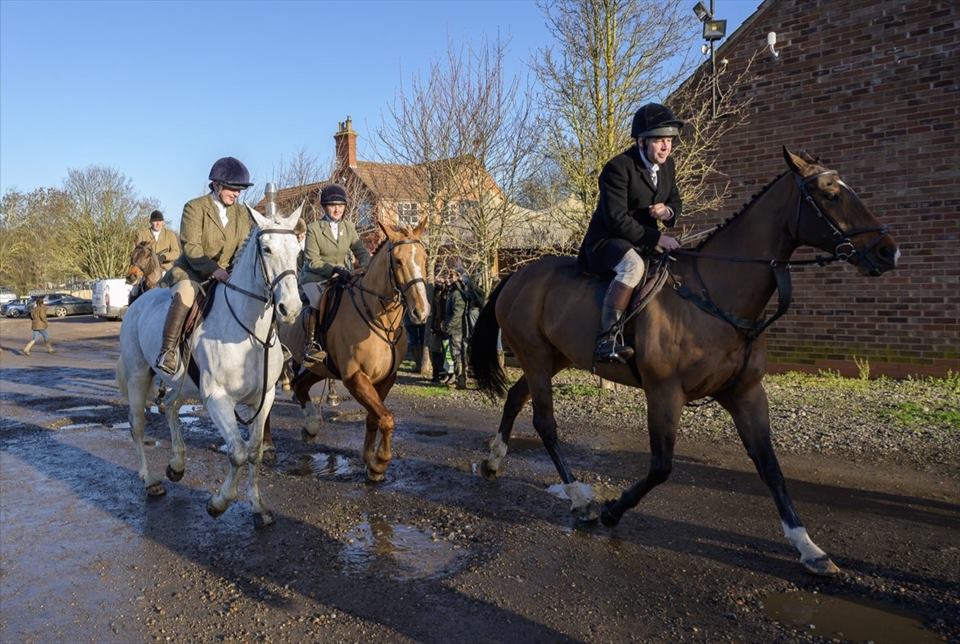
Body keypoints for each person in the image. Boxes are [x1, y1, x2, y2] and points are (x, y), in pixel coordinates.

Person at [577, 102, 684, 364]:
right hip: (608, 241)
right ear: (641, 141)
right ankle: (607, 339)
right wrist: (658, 238)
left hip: (642, 241)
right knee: (633, 267)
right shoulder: (618, 168)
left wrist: (667, 212)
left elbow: (675, 200)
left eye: (669, 140)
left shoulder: (668, 166)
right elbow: (616, 219)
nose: (666, 147)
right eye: (659, 140)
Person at [154, 157, 253, 375]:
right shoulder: (194, 207)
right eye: (233, 188)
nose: (237, 194)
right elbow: (191, 247)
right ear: (217, 184)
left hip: (228, 273)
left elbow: (244, 247)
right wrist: (213, 270)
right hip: (193, 271)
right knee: (186, 294)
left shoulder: (241, 213)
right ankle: (167, 351)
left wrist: (236, 270)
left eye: (240, 190)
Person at [300, 183, 371, 366]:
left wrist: (367, 267)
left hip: (342, 276)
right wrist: (334, 270)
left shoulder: (349, 227)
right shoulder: (314, 228)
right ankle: (311, 345)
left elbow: (361, 252)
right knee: (317, 301)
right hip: (315, 277)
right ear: (325, 207)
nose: (337, 209)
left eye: (340, 205)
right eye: (332, 205)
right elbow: (312, 261)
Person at [443, 269, 483, 389]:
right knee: (457, 354)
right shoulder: (452, 292)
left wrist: (448, 327)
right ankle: (460, 380)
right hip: (455, 328)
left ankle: (461, 381)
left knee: (458, 354)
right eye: (447, 276)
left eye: (451, 277)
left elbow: (458, 313)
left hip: (458, 329)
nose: (448, 279)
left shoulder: (457, 293)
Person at [428, 275, 451, 383]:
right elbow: (434, 311)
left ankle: (448, 374)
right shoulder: (435, 293)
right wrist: (433, 326)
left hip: (446, 326)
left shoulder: (448, 293)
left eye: (441, 280)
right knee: (434, 350)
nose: (438, 281)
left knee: (447, 351)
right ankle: (437, 374)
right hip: (437, 326)